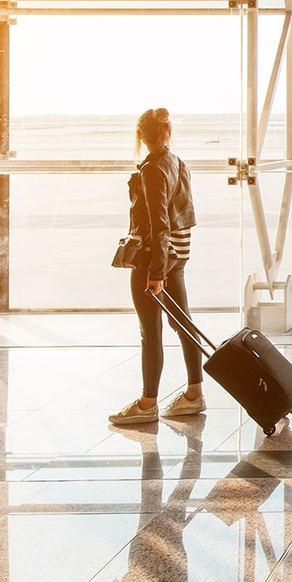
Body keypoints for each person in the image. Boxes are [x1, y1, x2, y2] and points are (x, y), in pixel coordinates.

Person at [109, 107, 206, 426]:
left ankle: (147, 402)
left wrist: (154, 274)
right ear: (168, 131)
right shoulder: (177, 162)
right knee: (184, 324)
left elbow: (158, 223)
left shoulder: (151, 169)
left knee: (150, 331)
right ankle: (194, 394)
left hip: (155, 258)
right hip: (178, 254)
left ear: (141, 136)